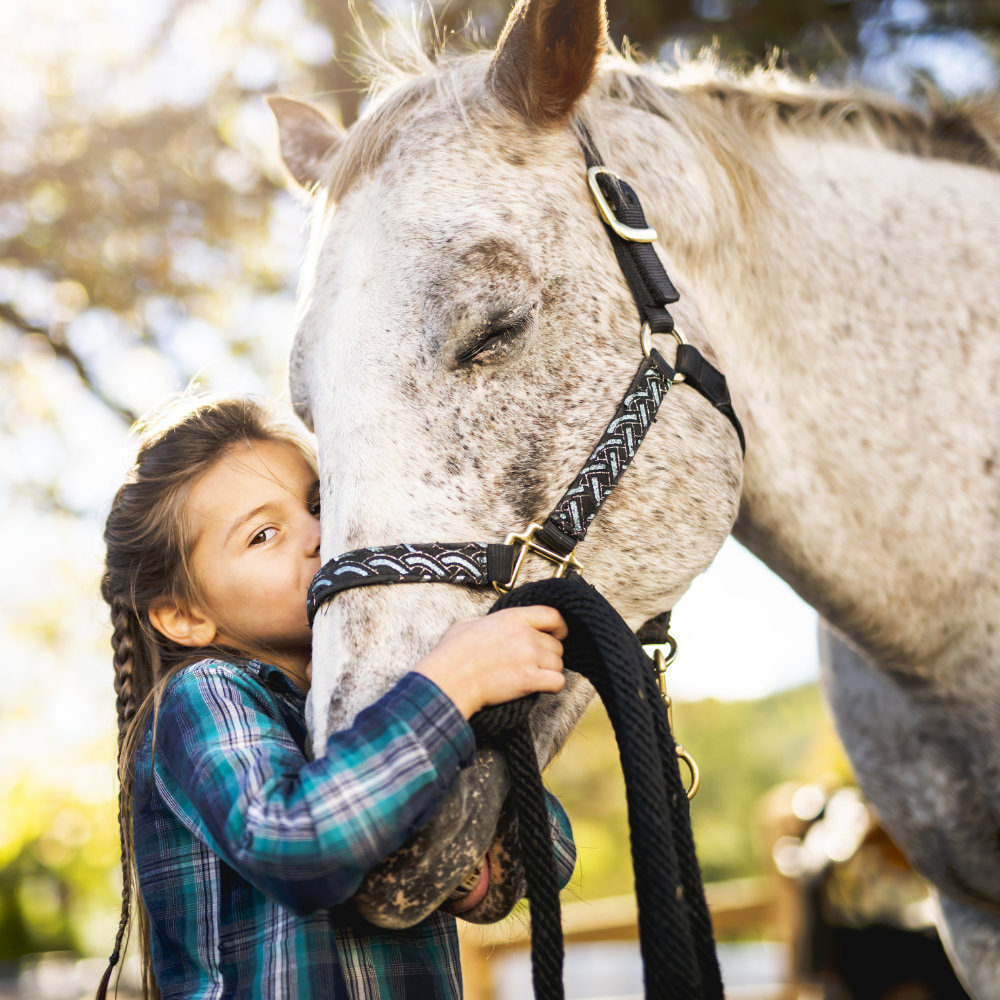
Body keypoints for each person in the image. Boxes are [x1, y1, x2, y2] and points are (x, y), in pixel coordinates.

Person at [98, 394, 575, 999]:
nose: (320, 534)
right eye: (263, 534)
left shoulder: (389, 699)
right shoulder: (205, 695)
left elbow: (551, 848)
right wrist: (453, 683)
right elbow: (294, 843)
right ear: (183, 615)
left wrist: (457, 855)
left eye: (318, 504)